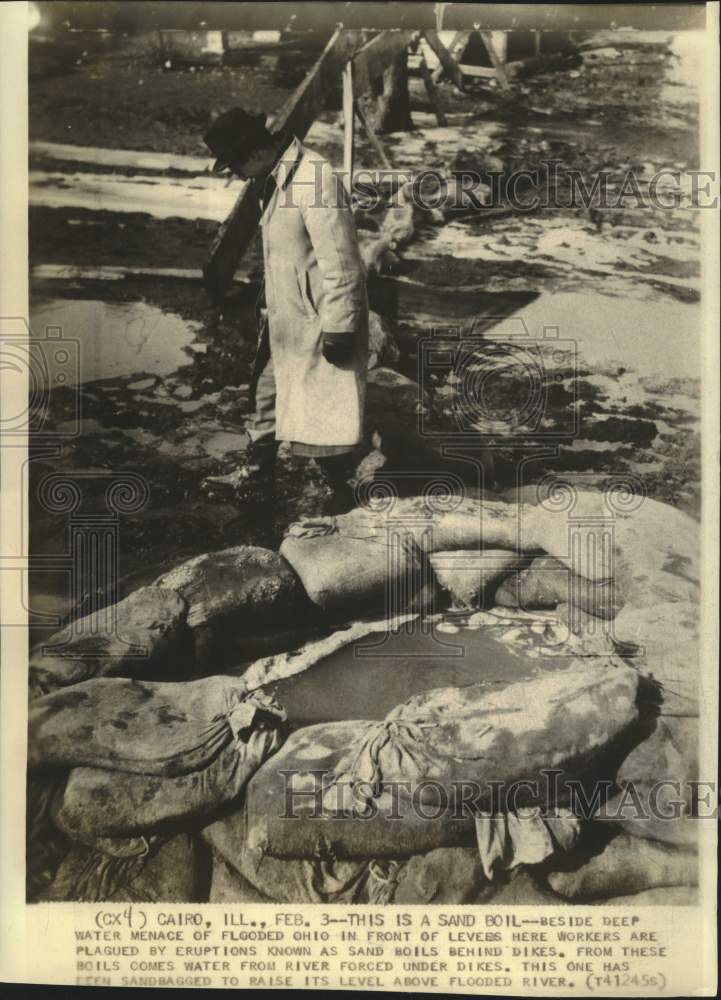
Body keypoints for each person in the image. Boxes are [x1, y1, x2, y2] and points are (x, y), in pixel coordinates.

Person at [203, 107, 369, 515]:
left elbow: (342, 262)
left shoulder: (314, 179)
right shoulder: (273, 179)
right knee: (265, 397)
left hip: (317, 322)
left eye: (235, 165)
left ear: (252, 153)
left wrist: (341, 327)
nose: (236, 175)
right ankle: (256, 480)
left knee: (322, 415)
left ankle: (343, 489)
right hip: (285, 318)